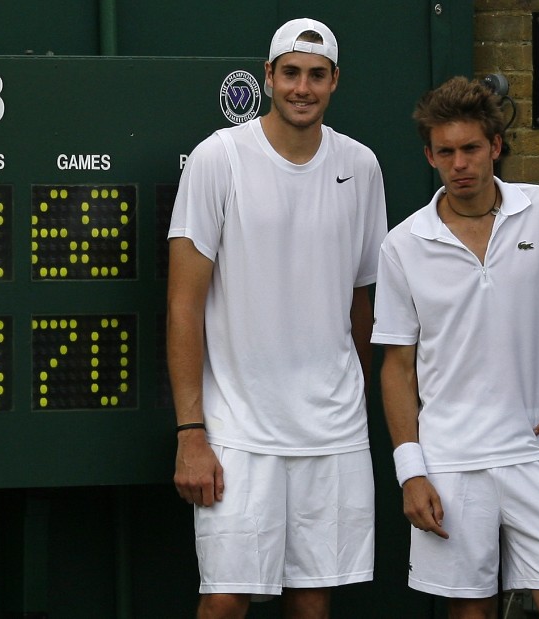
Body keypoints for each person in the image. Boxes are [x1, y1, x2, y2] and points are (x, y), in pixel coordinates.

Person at [166, 17, 387, 619]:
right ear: (268, 77)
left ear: (335, 82)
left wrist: (353, 398)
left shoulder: (361, 166)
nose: (302, 87)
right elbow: (183, 304)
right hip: (237, 429)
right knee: (225, 603)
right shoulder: (219, 157)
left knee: (313, 603)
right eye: (290, 73)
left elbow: (363, 300)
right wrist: (191, 433)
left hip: (333, 431)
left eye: (317, 75)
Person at [371, 76, 539, 619]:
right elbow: (396, 368)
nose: (461, 164)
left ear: (495, 146)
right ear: (430, 155)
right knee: (469, 615)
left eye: (471, 148)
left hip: (538, 452)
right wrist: (412, 472)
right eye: (446, 152)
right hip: (449, 463)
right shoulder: (403, 244)